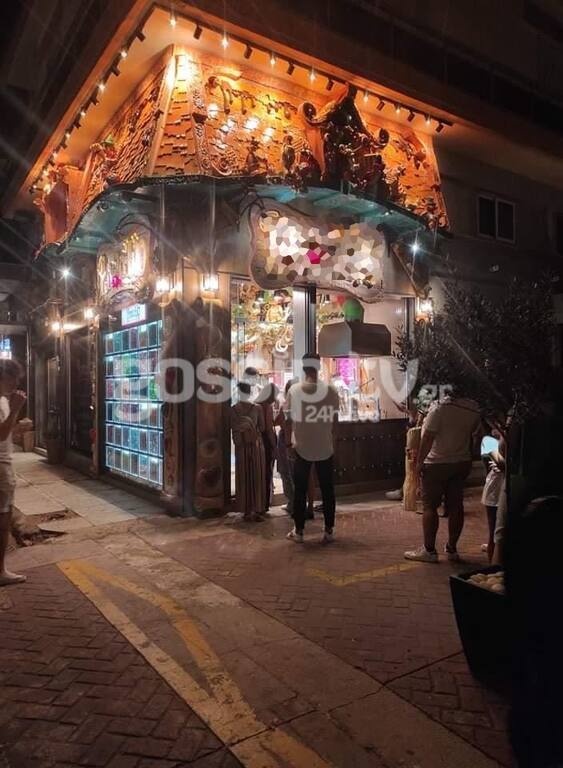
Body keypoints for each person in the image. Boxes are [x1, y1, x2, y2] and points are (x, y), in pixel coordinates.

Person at [404, 389, 481, 563]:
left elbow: (427, 438)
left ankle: (429, 550)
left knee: (430, 506)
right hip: (461, 461)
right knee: (456, 506)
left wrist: (419, 463)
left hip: (436, 463)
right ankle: (452, 549)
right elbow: (476, 435)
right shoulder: (473, 407)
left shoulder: (439, 408)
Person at [286, 353, 339, 543]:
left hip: (301, 447)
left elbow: (288, 420)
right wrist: (333, 441)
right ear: (318, 367)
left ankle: (299, 531)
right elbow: (335, 421)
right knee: (327, 490)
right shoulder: (331, 391)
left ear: (303, 368)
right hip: (325, 446)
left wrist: (288, 443)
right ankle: (329, 530)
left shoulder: (294, 391)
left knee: (300, 490)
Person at [0, 359, 27, 586]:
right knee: (3, 516)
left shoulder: (3, 400)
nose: (16, 383)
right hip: (0, 466)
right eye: (14, 378)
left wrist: (17, 426)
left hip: (4, 462)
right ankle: (0, 571)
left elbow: (6, 432)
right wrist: (16, 408)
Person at [231, 382, 267, 522]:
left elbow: (232, 427)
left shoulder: (233, 410)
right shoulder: (257, 408)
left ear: (238, 392)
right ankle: (257, 508)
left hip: (241, 447)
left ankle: (246, 510)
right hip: (255, 446)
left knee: (243, 475)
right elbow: (262, 427)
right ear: (250, 392)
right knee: (257, 476)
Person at [480, 425, 505, 563]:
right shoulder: (489, 441)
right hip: (496, 485)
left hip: (496, 485)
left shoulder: (489, 440)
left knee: (495, 533)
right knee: (495, 533)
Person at [275, 379, 297, 515]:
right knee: (296, 472)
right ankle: (299, 502)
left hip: (286, 441)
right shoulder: (302, 405)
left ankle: (292, 503)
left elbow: (277, 421)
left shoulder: (286, 405)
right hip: (298, 439)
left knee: (285, 471)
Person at [256, 382, 278, 511]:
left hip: (258, 441)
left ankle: (258, 502)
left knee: (260, 471)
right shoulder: (267, 407)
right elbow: (269, 429)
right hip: (267, 442)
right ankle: (265, 503)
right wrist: (274, 446)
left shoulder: (256, 404)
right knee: (267, 472)